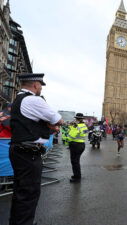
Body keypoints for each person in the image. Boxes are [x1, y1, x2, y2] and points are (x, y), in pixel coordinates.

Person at [9, 73, 63, 225]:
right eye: (40, 85)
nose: (40, 88)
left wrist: (47, 128)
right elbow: (58, 119)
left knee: (21, 193)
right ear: (35, 85)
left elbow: (31, 126)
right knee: (28, 194)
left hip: (20, 151)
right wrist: (53, 125)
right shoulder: (33, 99)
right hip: (28, 154)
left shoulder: (18, 100)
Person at [67, 113, 88, 183]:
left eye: (76, 119)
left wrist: (72, 128)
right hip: (81, 144)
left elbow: (70, 136)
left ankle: (77, 177)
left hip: (75, 145)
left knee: (74, 162)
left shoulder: (76, 126)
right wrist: (72, 127)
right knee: (76, 161)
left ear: (77, 119)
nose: (75, 120)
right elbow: (84, 133)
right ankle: (77, 175)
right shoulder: (84, 126)